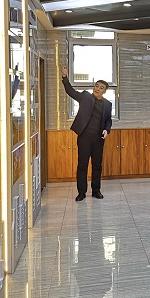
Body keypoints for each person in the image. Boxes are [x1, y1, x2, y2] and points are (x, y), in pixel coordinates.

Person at [61, 65, 112, 202]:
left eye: (101, 88)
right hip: (84, 137)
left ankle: (96, 191)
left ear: (104, 91)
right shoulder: (85, 97)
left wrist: (107, 130)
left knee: (97, 166)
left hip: (98, 139)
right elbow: (70, 91)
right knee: (82, 165)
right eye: (96, 86)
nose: (97, 89)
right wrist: (64, 77)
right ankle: (81, 192)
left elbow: (108, 120)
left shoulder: (107, 104)